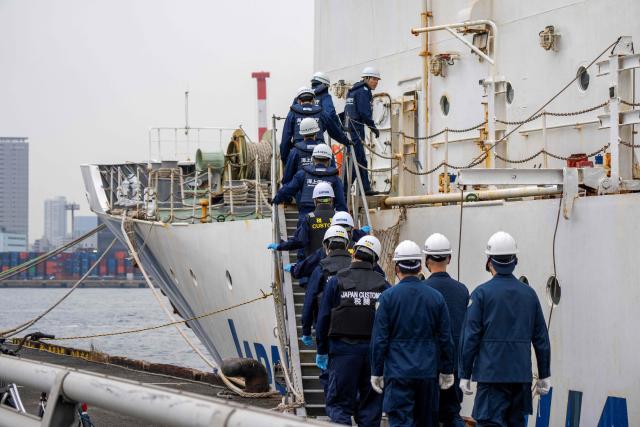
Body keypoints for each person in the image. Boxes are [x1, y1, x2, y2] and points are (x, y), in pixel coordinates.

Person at [459, 231, 551, 427]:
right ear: (514, 260)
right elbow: (541, 338)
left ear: (489, 262)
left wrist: (465, 373)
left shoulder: (481, 294)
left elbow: (470, 338)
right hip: (520, 378)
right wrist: (544, 374)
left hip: (491, 377)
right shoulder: (529, 295)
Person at [370, 240, 455, 427]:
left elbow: (380, 339)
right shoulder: (436, 298)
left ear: (397, 267)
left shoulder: (388, 298)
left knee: (400, 422)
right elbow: (445, 338)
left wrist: (376, 371)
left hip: (398, 373)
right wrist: (447, 370)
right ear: (419, 266)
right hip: (427, 373)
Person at [316, 235, 390, 426]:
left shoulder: (336, 281)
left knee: (339, 406)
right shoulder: (384, 285)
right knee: (370, 408)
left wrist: (322, 349)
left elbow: (323, 318)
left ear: (354, 252)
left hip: (342, 353)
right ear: (375, 259)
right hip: (374, 356)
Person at [423, 233, 469, 427]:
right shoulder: (462, 290)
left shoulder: (422, 289)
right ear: (449, 258)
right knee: (452, 414)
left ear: (426, 260)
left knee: (427, 416)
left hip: (427, 366)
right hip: (454, 366)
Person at [268, 182, 335, 287]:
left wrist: (281, 246)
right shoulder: (339, 217)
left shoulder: (309, 218)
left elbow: (299, 241)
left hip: (315, 271)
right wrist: (360, 232)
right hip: (338, 273)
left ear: (315, 200)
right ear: (331, 200)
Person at [300, 225, 353, 344]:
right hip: (355, 332)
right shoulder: (356, 267)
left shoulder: (321, 269)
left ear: (326, 246)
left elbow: (309, 301)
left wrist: (306, 331)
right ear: (346, 244)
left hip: (327, 331)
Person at [272, 144, 347, 223]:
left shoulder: (302, 174)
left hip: (306, 218)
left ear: (313, 159)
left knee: (300, 234)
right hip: (328, 220)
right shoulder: (335, 178)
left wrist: (276, 200)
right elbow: (341, 204)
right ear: (329, 160)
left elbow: (287, 189)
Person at [290, 211, 372, 283]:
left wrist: (294, 269)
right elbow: (378, 274)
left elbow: (306, 266)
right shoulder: (360, 250)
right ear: (352, 230)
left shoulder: (324, 250)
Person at [280, 87, 350, 166]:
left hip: (298, 153)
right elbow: (334, 131)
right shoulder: (321, 111)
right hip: (320, 152)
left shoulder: (292, 113)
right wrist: (347, 142)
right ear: (313, 100)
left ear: (298, 100)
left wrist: (285, 160)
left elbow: (285, 139)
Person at [343, 67, 381, 196]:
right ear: (367, 78)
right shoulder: (363, 92)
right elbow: (364, 112)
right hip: (356, 130)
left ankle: (365, 188)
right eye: (374, 79)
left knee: (360, 160)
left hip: (350, 129)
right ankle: (343, 190)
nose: (376, 82)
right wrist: (373, 128)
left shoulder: (353, 90)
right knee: (356, 160)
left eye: (377, 79)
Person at [283, 117, 334, 184]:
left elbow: (287, 177)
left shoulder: (294, 151)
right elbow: (333, 172)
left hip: (301, 193)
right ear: (316, 133)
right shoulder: (326, 150)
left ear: (302, 134)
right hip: (325, 191)